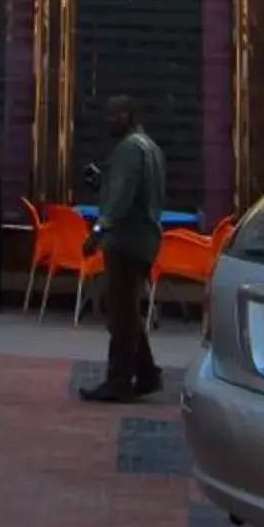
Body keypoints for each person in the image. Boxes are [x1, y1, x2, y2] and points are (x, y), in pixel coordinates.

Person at [80, 94, 165, 403]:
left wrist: (98, 231)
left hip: (127, 242)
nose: (108, 120)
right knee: (127, 310)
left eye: (114, 114)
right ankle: (146, 374)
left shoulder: (130, 149)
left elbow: (121, 200)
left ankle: (119, 380)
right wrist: (104, 181)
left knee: (120, 313)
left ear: (129, 115)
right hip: (145, 240)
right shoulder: (150, 147)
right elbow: (132, 190)